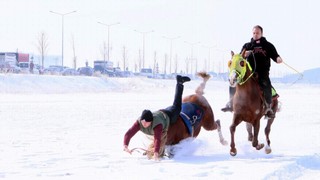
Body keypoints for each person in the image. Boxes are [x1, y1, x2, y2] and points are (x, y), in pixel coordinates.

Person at [123, 75, 191, 161]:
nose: (144, 124)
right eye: (143, 122)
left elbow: (157, 139)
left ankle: (180, 82)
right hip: (159, 113)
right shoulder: (139, 123)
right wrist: (125, 145)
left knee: (177, 105)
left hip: (169, 114)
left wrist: (156, 152)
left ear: (151, 122)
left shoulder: (157, 125)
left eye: (146, 123)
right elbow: (129, 133)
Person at [221, 25, 283, 119]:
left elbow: (275, 55)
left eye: (257, 33)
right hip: (248, 73)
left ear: (261, 33)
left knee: (266, 85)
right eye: (254, 33)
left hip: (262, 73)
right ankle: (230, 103)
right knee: (233, 81)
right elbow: (240, 58)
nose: (255, 35)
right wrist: (244, 55)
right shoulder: (247, 46)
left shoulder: (268, 45)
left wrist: (278, 59)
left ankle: (268, 108)